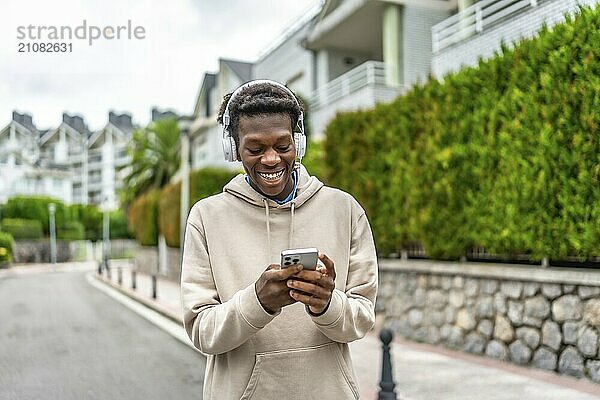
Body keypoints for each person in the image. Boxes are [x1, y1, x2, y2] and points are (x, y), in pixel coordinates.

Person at [181, 79, 378, 400]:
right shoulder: (206, 217)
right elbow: (202, 332)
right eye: (255, 149)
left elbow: (362, 320)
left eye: (282, 147)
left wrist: (328, 304)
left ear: (298, 144)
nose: (271, 159)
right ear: (233, 149)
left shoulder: (345, 210)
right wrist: (257, 303)